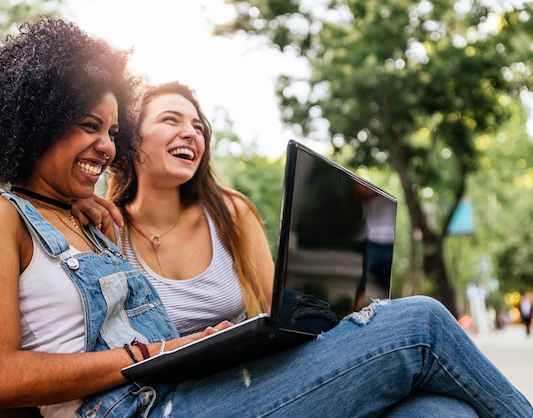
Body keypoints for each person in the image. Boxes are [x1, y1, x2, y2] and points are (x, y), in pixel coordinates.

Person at [0, 17, 533, 417]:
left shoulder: (88, 219)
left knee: (439, 409)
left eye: (111, 131)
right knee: (424, 325)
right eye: (88, 126)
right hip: (149, 406)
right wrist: (147, 356)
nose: (107, 146)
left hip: (192, 391)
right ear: (34, 119)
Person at [67, 82, 532, 417]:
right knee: (423, 320)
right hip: (189, 398)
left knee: (442, 413)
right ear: (129, 140)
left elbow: (283, 315)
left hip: (263, 376)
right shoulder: (102, 226)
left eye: (198, 126)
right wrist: (78, 198)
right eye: (170, 120)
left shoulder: (229, 212)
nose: (191, 133)